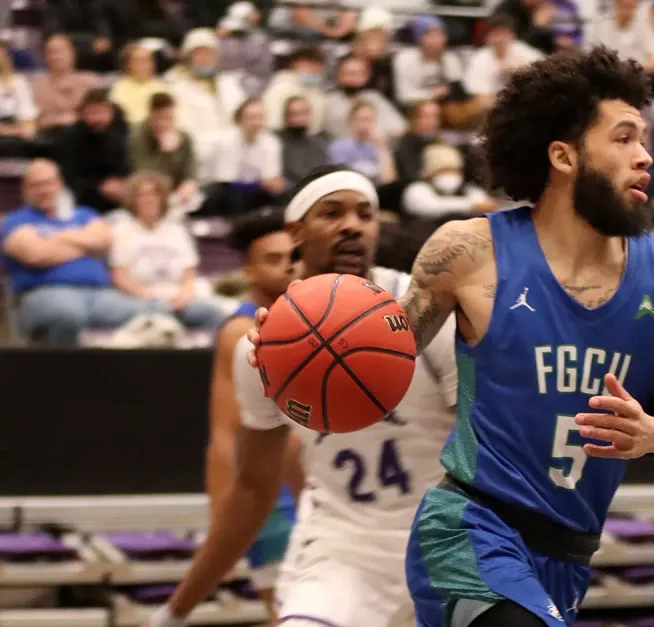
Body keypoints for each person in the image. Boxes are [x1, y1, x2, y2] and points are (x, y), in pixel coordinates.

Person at [250, 46, 654, 627]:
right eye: (623, 139)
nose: (645, 156)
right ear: (563, 156)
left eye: (643, 139)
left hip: (569, 555)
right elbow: (376, 354)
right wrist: (296, 345)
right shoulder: (468, 253)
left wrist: (652, 434)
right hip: (469, 531)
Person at [143, 166, 460, 627]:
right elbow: (253, 487)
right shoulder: (263, 347)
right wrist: (175, 611)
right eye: (332, 213)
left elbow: (488, 441)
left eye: (365, 214)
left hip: (444, 546)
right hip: (341, 554)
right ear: (295, 231)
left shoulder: (424, 309)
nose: (352, 224)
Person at [207, 208, 302, 625]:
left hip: (325, 489)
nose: (286, 267)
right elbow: (225, 435)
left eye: (290, 257)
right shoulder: (238, 332)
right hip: (272, 500)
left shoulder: (314, 319)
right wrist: (221, 520)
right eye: (272, 259)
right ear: (247, 270)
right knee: (285, 613)